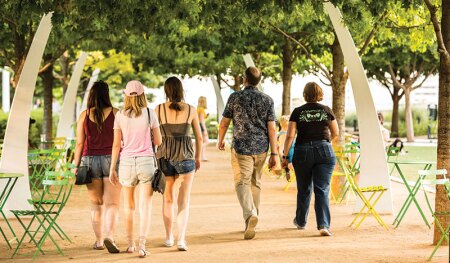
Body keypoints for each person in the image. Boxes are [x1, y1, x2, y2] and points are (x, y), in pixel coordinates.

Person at [217, 66, 278, 240]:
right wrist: (274, 153)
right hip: (261, 148)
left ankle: (251, 215)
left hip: (241, 147)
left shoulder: (235, 97)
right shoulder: (267, 100)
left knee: (241, 182)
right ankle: (252, 219)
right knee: (255, 183)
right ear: (259, 80)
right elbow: (272, 129)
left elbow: (224, 122)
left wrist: (220, 139)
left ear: (245, 79)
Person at [109, 80, 162, 258]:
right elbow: (158, 141)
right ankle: (142, 245)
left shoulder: (120, 115)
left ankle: (130, 243)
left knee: (128, 206)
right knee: (145, 205)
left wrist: (112, 169)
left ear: (126, 95)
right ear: (142, 95)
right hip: (146, 161)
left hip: (126, 163)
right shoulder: (149, 113)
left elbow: (116, 145)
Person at [281, 82, 338, 236]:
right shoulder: (327, 110)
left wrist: (285, 156)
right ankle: (323, 225)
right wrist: (324, 144)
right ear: (320, 94)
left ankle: (300, 221)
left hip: (302, 151)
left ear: (305, 95)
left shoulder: (298, 111)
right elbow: (335, 132)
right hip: (325, 151)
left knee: (304, 189)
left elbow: (290, 136)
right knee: (322, 189)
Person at [72, 81, 122, 253]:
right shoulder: (116, 113)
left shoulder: (84, 115)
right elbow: (121, 140)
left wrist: (75, 166)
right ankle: (110, 236)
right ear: (106, 94)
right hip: (112, 161)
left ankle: (99, 241)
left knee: (96, 203)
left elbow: (79, 143)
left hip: (89, 160)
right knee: (113, 203)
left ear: (91, 94)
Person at [156, 77, 202, 251]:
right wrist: (197, 158)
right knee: (184, 200)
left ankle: (169, 237)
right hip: (186, 157)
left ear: (166, 91)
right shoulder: (191, 109)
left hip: (164, 156)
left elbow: (154, 136)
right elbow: (198, 136)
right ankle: (181, 240)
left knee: (168, 199)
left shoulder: (159, 109)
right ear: (181, 90)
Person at [197, 96, 209, 161]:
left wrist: (206, 116)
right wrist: (204, 130)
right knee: (206, 141)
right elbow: (201, 120)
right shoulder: (201, 109)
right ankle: (198, 152)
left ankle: (203, 157)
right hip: (201, 126)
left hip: (198, 126)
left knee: (203, 141)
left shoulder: (198, 109)